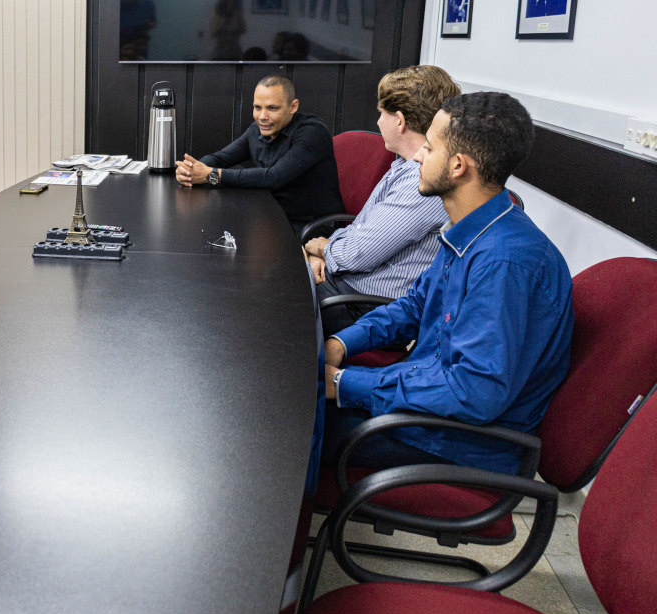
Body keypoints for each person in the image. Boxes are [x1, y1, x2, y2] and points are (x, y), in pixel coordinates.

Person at [323, 92, 573, 476]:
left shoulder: (505, 263)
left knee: (284, 424)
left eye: (430, 146)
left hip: (453, 443)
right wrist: (343, 342)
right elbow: (415, 306)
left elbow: (472, 392)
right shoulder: (472, 227)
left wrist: (345, 383)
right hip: (425, 410)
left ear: (458, 166)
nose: (419, 155)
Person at [305, 66, 460, 335]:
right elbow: (362, 231)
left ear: (400, 121)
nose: (378, 122)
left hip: (366, 307)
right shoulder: (404, 165)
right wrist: (320, 254)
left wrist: (321, 250)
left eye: (381, 113)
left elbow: (356, 255)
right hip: (348, 286)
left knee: (272, 293)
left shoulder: (421, 181)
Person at [176, 75, 344, 232]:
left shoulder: (312, 132)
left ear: (293, 106)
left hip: (310, 226)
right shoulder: (258, 129)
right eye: (257, 107)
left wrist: (210, 175)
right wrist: (191, 170)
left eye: (272, 108)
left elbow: (273, 177)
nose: (262, 116)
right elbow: (219, 158)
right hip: (269, 215)